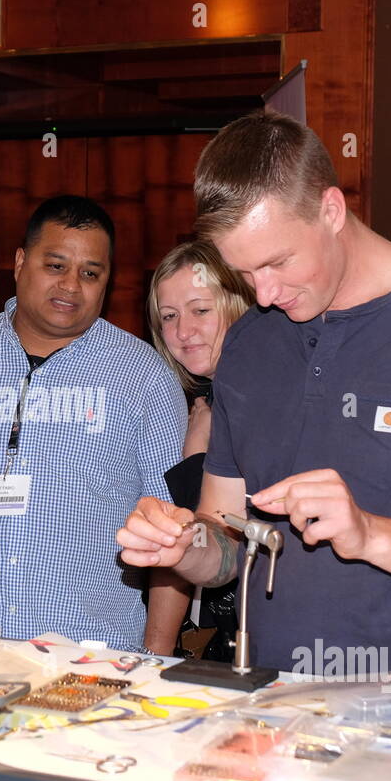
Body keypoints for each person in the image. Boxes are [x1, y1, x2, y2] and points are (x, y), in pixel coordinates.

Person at [117, 110, 391, 675]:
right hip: (270, 710)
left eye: (278, 262)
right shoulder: (250, 345)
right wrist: (186, 548)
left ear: (331, 210)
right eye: (244, 274)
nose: (263, 294)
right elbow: (230, 538)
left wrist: (371, 534)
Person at [0, 195, 188, 654]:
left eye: (90, 273)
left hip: (93, 650)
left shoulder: (145, 377)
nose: (71, 286)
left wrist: (154, 659)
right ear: (21, 262)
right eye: (56, 265)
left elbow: (172, 533)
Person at [146, 240, 255, 661]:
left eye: (200, 310)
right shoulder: (205, 404)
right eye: (169, 316)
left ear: (238, 303)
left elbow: (220, 533)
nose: (182, 331)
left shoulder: (264, 398)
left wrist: (194, 458)